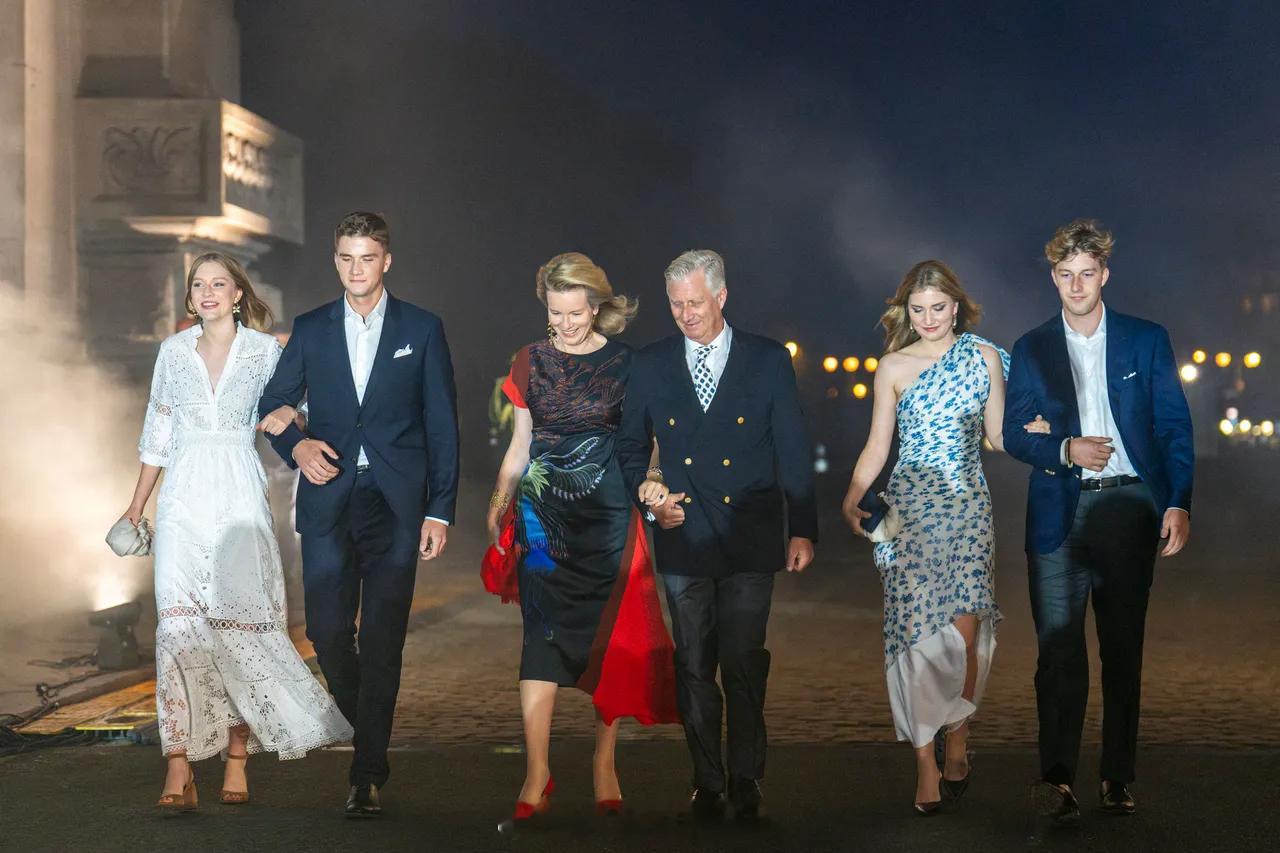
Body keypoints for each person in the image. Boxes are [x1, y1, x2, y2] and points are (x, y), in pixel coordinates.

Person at [121, 252, 352, 811]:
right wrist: (135, 507)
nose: (207, 293)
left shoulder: (265, 351)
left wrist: (292, 420)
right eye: (199, 285)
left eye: (218, 284)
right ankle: (178, 763)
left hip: (239, 496)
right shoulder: (172, 352)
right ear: (191, 296)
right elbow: (158, 433)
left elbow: (302, 405)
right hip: (182, 500)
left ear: (237, 294)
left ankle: (236, 757)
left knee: (237, 627)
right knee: (178, 629)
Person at [256, 211, 460, 818]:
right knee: (325, 633)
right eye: (346, 258)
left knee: (383, 637)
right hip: (329, 497)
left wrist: (440, 511)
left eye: (367, 257)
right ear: (335, 260)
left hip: (396, 505)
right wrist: (297, 446)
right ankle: (366, 732)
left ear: (386, 261)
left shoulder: (422, 328)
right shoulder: (311, 327)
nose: (356, 269)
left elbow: (442, 426)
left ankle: (366, 771)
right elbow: (273, 402)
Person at [840, 260, 1048, 814]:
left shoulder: (983, 358)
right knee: (915, 635)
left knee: (962, 636)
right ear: (905, 312)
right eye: (918, 309)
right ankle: (925, 766)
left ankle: (957, 734)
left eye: (938, 307)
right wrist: (852, 493)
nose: (929, 318)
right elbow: (878, 444)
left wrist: (1039, 433)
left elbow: (997, 436)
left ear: (956, 307)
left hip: (966, 507)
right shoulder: (892, 366)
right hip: (909, 512)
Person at [617, 249, 817, 823]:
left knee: (744, 660)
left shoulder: (767, 359)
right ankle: (706, 781)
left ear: (721, 297)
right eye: (676, 304)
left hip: (751, 532)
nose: (686, 314)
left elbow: (792, 449)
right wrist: (650, 500)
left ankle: (746, 777)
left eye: (696, 303)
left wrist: (802, 529)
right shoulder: (651, 364)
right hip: (683, 532)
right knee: (694, 663)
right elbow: (630, 447)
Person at [1003, 219, 1193, 822]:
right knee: (1057, 653)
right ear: (1053, 278)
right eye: (1066, 274)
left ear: (1105, 274)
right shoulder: (1031, 347)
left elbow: (1173, 426)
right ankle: (1058, 780)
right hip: (1057, 512)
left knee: (1122, 648)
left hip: (1128, 507)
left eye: (1087, 273)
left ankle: (1117, 776)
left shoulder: (1146, 339)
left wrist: (1178, 501)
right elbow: (1013, 433)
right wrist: (1063, 447)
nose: (1077, 285)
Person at [486, 252, 677, 829]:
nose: (565, 323)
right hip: (543, 522)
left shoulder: (628, 363)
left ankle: (604, 763)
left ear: (596, 306)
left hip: (610, 518)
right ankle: (536, 773)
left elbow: (651, 439)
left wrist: (654, 477)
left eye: (575, 312)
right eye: (555, 312)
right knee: (538, 640)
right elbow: (520, 446)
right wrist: (498, 507)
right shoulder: (529, 361)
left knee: (606, 642)